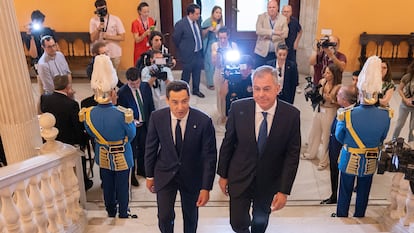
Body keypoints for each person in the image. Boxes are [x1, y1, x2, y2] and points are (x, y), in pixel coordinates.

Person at [217, 65, 300, 233]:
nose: (261, 94)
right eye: (257, 89)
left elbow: (292, 155)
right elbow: (228, 143)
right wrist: (223, 175)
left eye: (267, 89)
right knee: (237, 222)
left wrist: (284, 190)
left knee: (260, 223)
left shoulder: (291, 115)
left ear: (278, 88)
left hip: (268, 181)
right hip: (239, 176)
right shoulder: (238, 108)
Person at [145, 80, 217, 233]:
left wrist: (206, 187)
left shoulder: (203, 121)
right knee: (164, 216)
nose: (180, 107)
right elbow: (150, 148)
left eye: (184, 101)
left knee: (191, 216)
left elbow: (209, 157)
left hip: (191, 176)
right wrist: (150, 175)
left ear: (189, 98)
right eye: (175, 102)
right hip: (164, 173)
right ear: (167, 100)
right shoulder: (157, 118)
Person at [79, 54, 136, 218]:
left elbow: (90, 133)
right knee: (123, 187)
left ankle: (110, 211)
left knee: (108, 186)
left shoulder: (88, 114)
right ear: (112, 91)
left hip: (102, 154)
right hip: (122, 155)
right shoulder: (123, 114)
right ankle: (123, 213)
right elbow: (131, 135)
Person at [335, 56, 391, 217]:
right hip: (371, 157)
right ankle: (359, 214)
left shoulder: (346, 114)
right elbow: (382, 137)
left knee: (345, 189)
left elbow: (340, 136)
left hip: (350, 156)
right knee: (364, 189)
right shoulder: (386, 115)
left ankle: (342, 215)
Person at [40, 75, 93, 191]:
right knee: (80, 159)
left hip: (52, 139)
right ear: (67, 86)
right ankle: (84, 181)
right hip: (69, 141)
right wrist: (83, 142)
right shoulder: (71, 104)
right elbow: (77, 127)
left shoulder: (44, 98)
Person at [320, 85, 358, 205]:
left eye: (339, 95)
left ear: (345, 99)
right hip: (334, 147)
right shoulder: (341, 108)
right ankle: (334, 195)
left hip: (343, 150)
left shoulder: (354, 113)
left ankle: (341, 201)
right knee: (334, 173)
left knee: (343, 177)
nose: (336, 97)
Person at [301, 63, 342, 171]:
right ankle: (311, 153)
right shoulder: (322, 82)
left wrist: (330, 99)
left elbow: (339, 102)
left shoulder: (338, 87)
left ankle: (324, 161)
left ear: (334, 74)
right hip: (319, 109)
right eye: (325, 72)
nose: (325, 74)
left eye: (328, 73)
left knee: (326, 137)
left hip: (330, 111)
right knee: (314, 132)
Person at [118, 67, 154, 186]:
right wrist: (132, 121)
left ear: (140, 79)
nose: (135, 85)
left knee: (144, 148)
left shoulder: (145, 87)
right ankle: (132, 175)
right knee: (132, 152)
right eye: (132, 84)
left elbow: (150, 105)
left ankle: (142, 170)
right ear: (127, 81)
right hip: (132, 127)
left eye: (137, 82)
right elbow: (121, 112)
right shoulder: (122, 93)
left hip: (145, 124)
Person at [89, 0, 125, 88]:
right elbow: (92, 38)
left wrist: (108, 36)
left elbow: (122, 37)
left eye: (104, 8)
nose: (102, 11)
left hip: (114, 52)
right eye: (100, 9)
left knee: (113, 76)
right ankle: (104, 92)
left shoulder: (115, 19)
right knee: (102, 76)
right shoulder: (93, 20)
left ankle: (113, 93)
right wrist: (98, 29)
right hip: (100, 54)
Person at [172, 3, 205, 98]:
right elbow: (175, 38)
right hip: (187, 53)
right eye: (197, 14)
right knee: (186, 74)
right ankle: (183, 91)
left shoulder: (197, 22)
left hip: (198, 52)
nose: (199, 16)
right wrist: (183, 48)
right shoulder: (181, 24)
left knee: (197, 72)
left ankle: (196, 90)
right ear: (190, 14)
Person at [211, 27, 238, 123]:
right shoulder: (215, 46)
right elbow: (215, 63)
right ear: (218, 37)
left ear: (228, 37)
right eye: (220, 38)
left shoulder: (233, 45)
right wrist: (217, 54)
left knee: (231, 92)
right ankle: (222, 114)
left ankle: (230, 113)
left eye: (224, 38)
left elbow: (237, 60)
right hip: (219, 71)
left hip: (230, 70)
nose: (222, 40)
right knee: (220, 94)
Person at [254, 0, 288, 68]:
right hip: (261, 52)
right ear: (267, 8)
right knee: (260, 73)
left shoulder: (283, 19)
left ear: (277, 8)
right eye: (269, 7)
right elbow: (258, 31)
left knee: (273, 74)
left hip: (276, 52)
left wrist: (267, 35)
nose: (271, 9)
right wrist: (274, 32)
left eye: (273, 7)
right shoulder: (261, 17)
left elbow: (285, 34)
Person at [201, 5, 223, 90]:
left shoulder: (220, 23)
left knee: (218, 62)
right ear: (213, 13)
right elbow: (202, 34)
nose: (218, 14)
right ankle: (210, 83)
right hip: (209, 44)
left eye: (220, 13)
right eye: (216, 12)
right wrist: (208, 29)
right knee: (209, 63)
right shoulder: (207, 21)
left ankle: (218, 80)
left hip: (219, 44)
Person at [393, 61, 414, 142]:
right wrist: (405, 99)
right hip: (405, 105)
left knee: (412, 128)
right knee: (399, 124)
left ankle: (411, 143)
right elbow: (400, 89)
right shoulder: (407, 77)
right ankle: (393, 140)